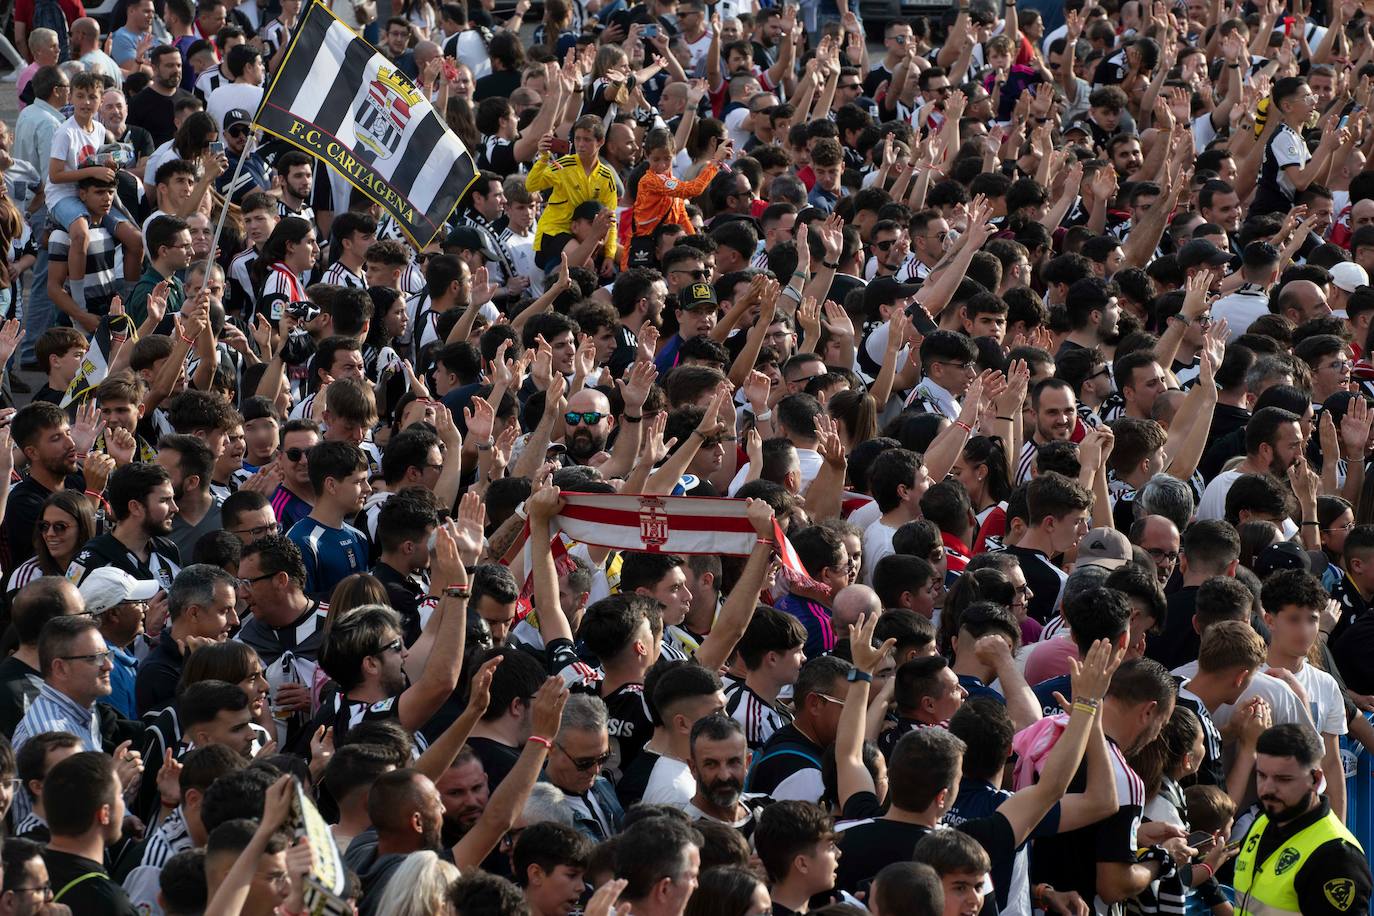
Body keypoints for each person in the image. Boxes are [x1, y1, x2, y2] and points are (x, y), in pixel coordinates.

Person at [41, 752, 138, 914]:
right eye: (120, 795)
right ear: (104, 814)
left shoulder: (23, 875)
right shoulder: (109, 903)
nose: (123, 804)